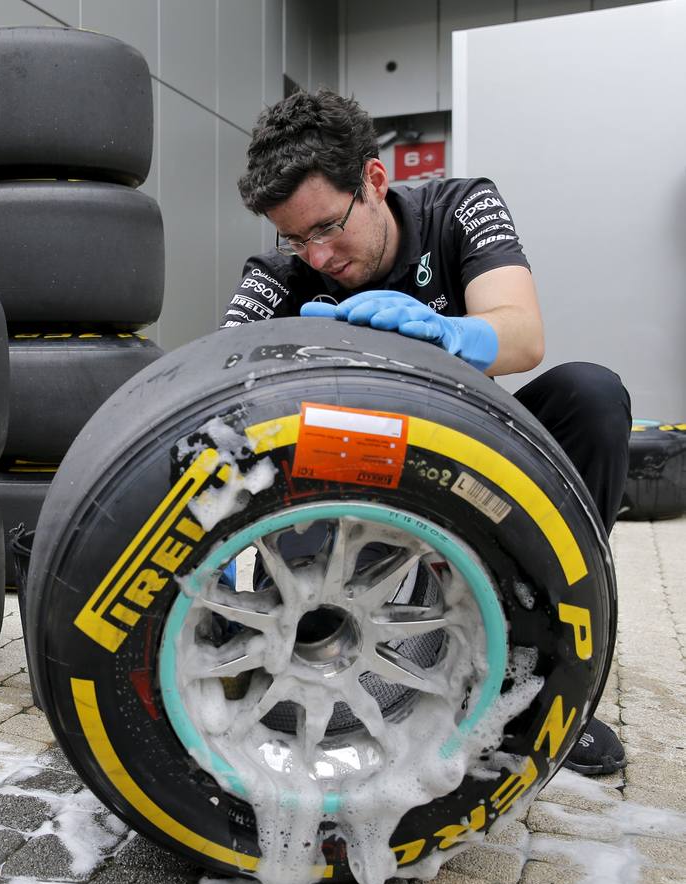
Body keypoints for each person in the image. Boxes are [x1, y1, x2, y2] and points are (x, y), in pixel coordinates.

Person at [222, 89, 630, 776]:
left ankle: (546, 676)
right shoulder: (277, 276)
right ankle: (305, 668)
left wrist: (450, 334)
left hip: (468, 472)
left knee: (591, 395)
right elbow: (219, 383)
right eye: (294, 238)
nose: (315, 257)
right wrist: (290, 357)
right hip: (346, 479)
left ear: (374, 181)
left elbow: (523, 334)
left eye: (326, 228)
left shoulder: (461, 206)